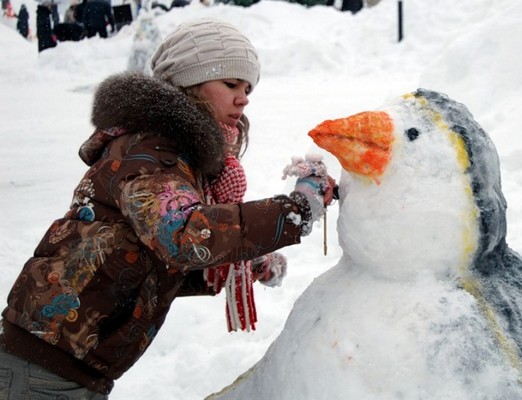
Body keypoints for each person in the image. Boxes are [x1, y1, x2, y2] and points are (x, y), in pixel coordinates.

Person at [0, 18, 335, 398]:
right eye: (230, 84)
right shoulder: (150, 151)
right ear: (190, 83)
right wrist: (293, 211)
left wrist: (227, 268)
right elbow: (181, 235)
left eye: (247, 88)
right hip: (43, 365)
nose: (243, 98)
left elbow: (148, 261)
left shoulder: (175, 158)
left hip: (67, 362)